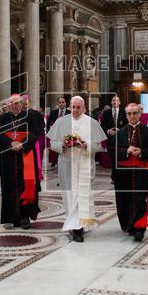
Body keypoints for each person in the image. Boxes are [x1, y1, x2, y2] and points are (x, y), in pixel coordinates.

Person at [48, 96, 106, 242]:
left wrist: (86, 145)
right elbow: (52, 143)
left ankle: (78, 227)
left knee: (82, 194)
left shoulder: (92, 122)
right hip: (67, 164)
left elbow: (99, 146)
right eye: (72, 107)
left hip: (85, 164)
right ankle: (74, 223)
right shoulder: (61, 122)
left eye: (78, 107)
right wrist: (63, 145)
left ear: (84, 108)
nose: (75, 110)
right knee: (70, 194)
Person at [0, 94, 41, 228]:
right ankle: (11, 216)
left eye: (17, 103)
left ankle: (25, 217)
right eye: (12, 103)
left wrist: (22, 144)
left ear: (21, 103)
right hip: (8, 156)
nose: (14, 105)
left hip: (26, 155)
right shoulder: (3, 118)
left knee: (26, 185)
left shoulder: (30, 116)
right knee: (9, 185)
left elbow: (36, 133)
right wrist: (11, 143)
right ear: (8, 104)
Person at [113, 103, 148, 241]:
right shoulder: (120, 132)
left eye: (135, 113)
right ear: (126, 115)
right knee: (125, 199)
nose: (132, 116)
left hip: (141, 171)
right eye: (129, 113)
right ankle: (129, 225)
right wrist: (126, 151)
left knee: (140, 199)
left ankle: (140, 227)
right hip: (123, 173)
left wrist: (141, 152)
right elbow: (114, 152)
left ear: (140, 114)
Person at [20, 94, 45, 179]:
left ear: (29, 104)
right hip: (22, 140)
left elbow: (42, 126)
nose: (25, 106)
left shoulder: (36, 113)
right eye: (23, 104)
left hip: (35, 139)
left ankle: (37, 174)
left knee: (36, 158)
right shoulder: (18, 114)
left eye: (26, 104)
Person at [100, 95, 123, 169]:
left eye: (117, 100)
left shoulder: (124, 112)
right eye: (113, 100)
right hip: (110, 138)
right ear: (111, 102)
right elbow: (102, 125)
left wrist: (120, 131)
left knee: (120, 156)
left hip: (121, 138)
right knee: (112, 156)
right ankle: (114, 173)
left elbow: (127, 124)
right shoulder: (106, 113)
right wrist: (108, 131)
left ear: (119, 102)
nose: (115, 102)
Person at [46, 96, 69, 168]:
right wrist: (48, 132)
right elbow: (48, 123)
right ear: (58, 104)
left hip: (66, 134)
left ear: (65, 103)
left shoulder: (69, 113)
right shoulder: (53, 113)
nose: (61, 104)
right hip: (55, 133)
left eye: (63, 102)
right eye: (60, 102)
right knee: (55, 147)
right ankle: (54, 161)